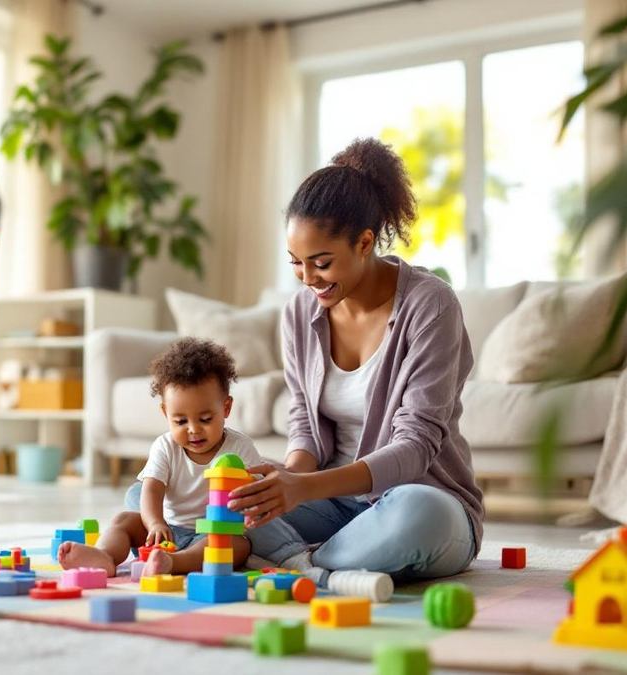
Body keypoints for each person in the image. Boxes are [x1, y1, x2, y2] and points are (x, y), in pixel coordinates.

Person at [226, 137, 484, 596]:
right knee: (201, 490)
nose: (308, 280)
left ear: (365, 242)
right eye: (297, 265)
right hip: (332, 503)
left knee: (416, 517)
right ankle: (325, 563)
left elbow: (416, 445)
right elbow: (304, 423)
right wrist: (287, 480)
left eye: (321, 263)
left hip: (419, 499)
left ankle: (291, 561)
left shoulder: (430, 306)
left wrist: (302, 490)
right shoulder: (299, 315)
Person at [59, 338, 263, 576]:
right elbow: (151, 490)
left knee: (239, 545)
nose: (193, 429)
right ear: (166, 413)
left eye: (205, 419)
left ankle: (173, 563)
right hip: (168, 531)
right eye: (180, 421)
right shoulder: (165, 446)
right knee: (124, 520)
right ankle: (105, 556)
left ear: (226, 408)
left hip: (212, 535)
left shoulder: (240, 447)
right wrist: (155, 523)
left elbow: (257, 492)